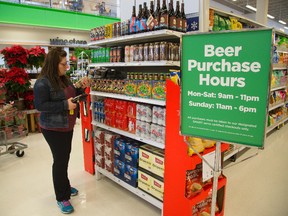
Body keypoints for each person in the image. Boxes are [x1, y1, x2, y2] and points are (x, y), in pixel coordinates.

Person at [33, 47, 91, 214]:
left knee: (64, 157)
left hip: (67, 125)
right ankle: (61, 197)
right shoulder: (42, 83)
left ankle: (64, 185)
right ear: (53, 64)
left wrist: (81, 89)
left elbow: (70, 94)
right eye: (64, 64)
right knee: (60, 160)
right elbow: (40, 105)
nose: (67, 67)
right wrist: (65, 105)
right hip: (53, 128)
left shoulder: (62, 79)